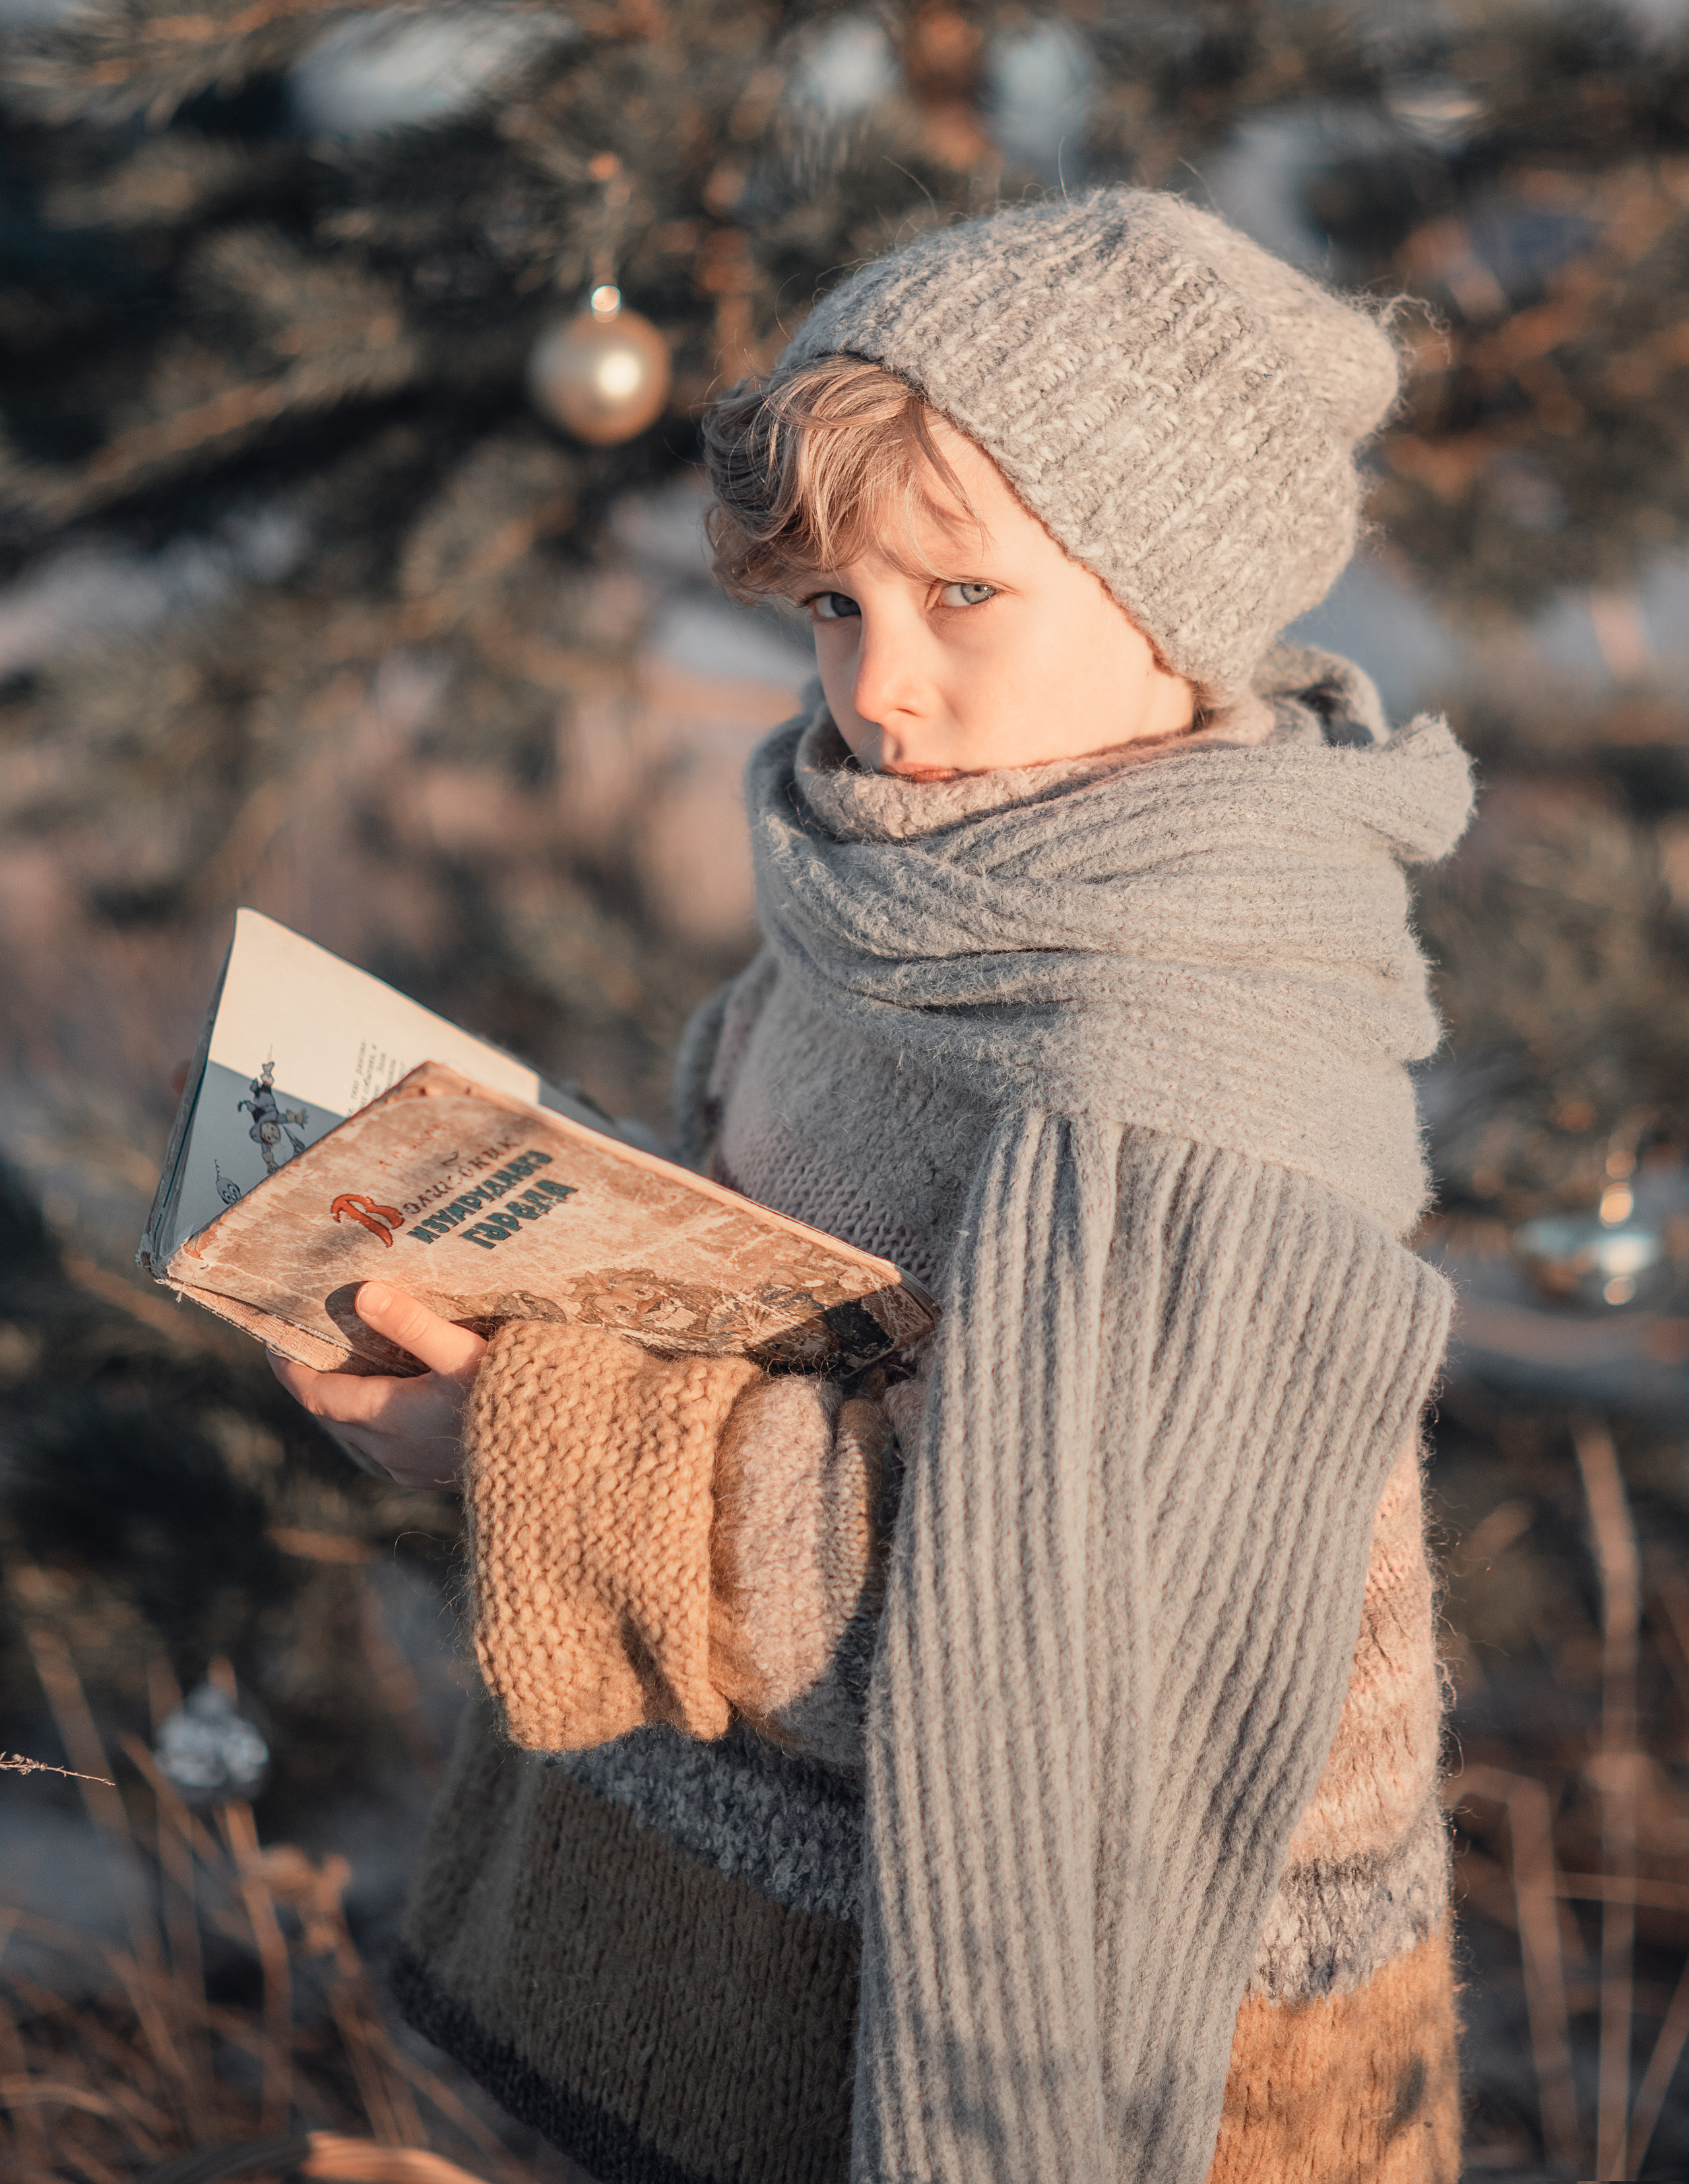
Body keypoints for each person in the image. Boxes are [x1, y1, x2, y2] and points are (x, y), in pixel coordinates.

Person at [272, 189, 1474, 2184]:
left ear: (1173, 602)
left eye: (961, 595)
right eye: (836, 605)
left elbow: (1041, 1640)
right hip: (762, 1951)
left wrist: (526, 1440)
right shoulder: (917, 890)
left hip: (1103, 2022)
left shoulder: (1194, 1066)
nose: (876, 687)